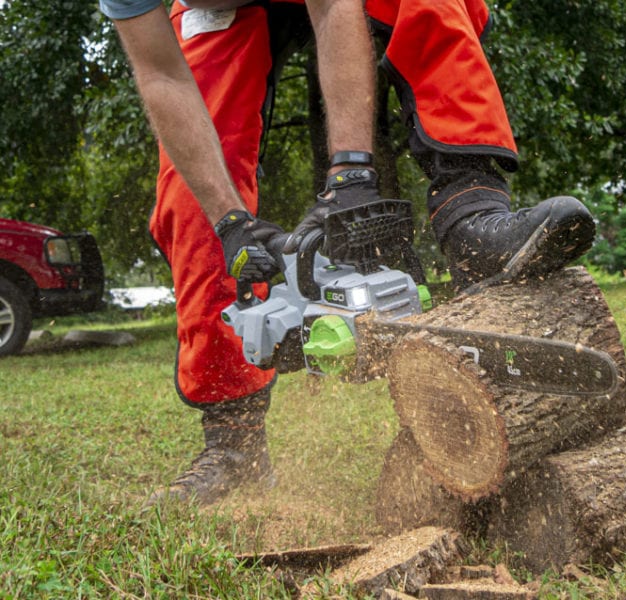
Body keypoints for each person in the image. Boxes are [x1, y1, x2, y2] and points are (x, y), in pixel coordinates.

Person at [100, 0, 595, 507]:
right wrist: (231, 224)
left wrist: (351, 175)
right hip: (220, 25)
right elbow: (162, 76)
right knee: (190, 201)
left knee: (431, 3)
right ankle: (234, 442)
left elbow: (335, 6)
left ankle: (470, 212)